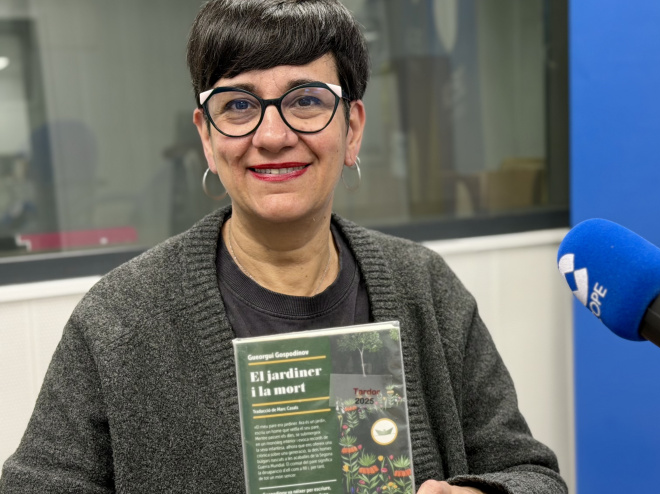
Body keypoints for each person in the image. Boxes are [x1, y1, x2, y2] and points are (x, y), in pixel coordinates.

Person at [0, 1, 566, 493]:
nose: (272, 136)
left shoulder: (426, 289)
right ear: (206, 134)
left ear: (354, 127)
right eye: (238, 105)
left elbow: (531, 472)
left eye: (306, 100)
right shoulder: (120, 320)